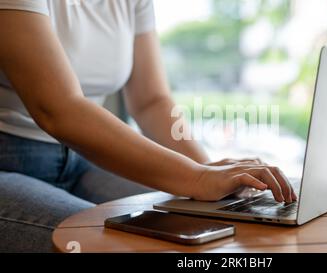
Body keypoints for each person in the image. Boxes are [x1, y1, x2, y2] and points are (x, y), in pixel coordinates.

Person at [0, 0, 296, 252]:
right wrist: (197, 178)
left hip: (85, 158)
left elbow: (151, 101)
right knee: (111, 237)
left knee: (204, 221)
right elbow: (56, 109)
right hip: (9, 161)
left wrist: (209, 172)